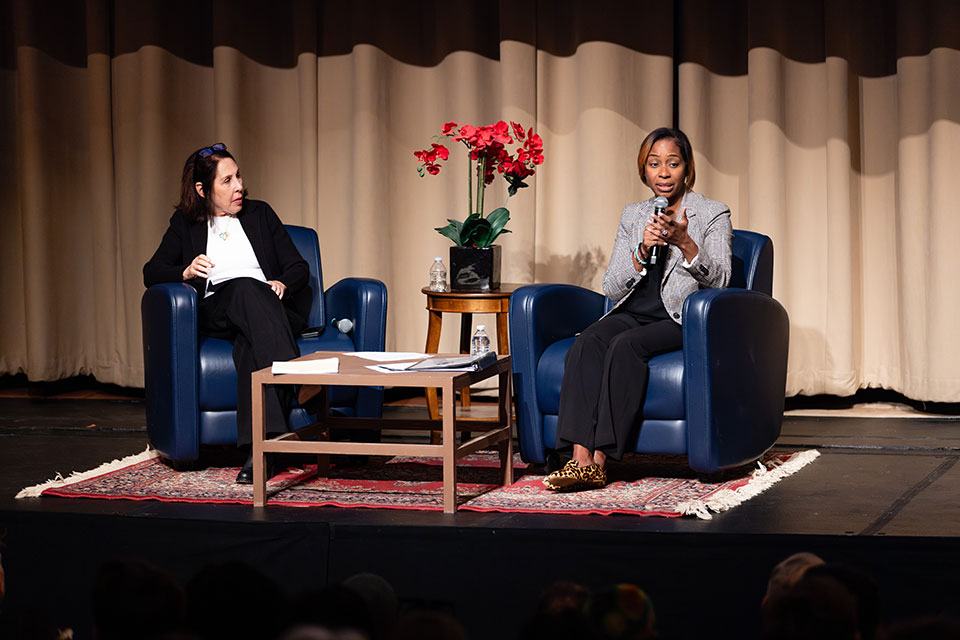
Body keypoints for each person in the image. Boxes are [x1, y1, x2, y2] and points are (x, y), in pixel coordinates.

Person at [543, 127, 732, 492]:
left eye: (672, 164)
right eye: (654, 164)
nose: (663, 173)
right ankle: (578, 460)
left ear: (687, 168)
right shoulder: (633, 215)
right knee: (589, 341)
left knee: (625, 345)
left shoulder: (712, 213)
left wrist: (685, 242)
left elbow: (722, 280)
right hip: (634, 310)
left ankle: (600, 460)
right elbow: (611, 287)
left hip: (680, 317)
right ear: (643, 170)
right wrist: (641, 252)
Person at [143, 143, 309, 483]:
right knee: (245, 287)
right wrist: (186, 271)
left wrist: (281, 283)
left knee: (251, 346)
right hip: (218, 309)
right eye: (227, 180)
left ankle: (261, 451)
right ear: (202, 190)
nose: (238, 186)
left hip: (270, 310)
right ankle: (298, 377)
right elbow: (151, 271)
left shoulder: (260, 214)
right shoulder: (185, 224)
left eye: (239, 177)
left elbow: (298, 267)